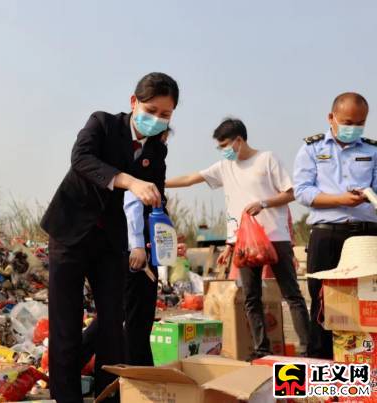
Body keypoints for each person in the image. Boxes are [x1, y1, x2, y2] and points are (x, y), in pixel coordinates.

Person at [40, 72, 179, 402]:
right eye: (151, 110)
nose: (156, 119)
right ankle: (66, 397)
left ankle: (108, 396)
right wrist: (129, 181)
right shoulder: (102, 124)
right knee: (66, 323)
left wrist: (160, 237)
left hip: (112, 242)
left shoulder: (156, 150)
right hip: (72, 232)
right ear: (134, 103)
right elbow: (82, 160)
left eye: (165, 114)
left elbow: (155, 197)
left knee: (113, 324)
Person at [165, 118, 310, 360]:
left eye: (225, 145)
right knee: (251, 298)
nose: (223, 150)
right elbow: (191, 178)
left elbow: (291, 192)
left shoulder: (267, 159)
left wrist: (264, 203)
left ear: (239, 140)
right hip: (245, 244)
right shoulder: (224, 167)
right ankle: (261, 350)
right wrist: (160, 182)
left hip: (275, 238)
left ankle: (307, 350)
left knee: (292, 295)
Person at [293, 92, 377, 359]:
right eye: (348, 122)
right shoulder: (312, 149)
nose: (354, 128)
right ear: (332, 118)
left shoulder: (373, 150)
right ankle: (321, 365)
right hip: (328, 234)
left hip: (366, 236)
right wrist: (340, 199)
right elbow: (302, 192)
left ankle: (366, 363)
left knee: (369, 301)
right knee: (323, 302)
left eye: (360, 123)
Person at [81, 128, 170, 369]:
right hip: (134, 249)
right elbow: (131, 202)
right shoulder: (138, 156)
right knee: (131, 314)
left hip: (142, 246)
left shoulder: (155, 156)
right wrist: (137, 245)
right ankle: (135, 371)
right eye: (163, 138)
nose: (164, 142)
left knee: (130, 314)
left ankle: (137, 369)